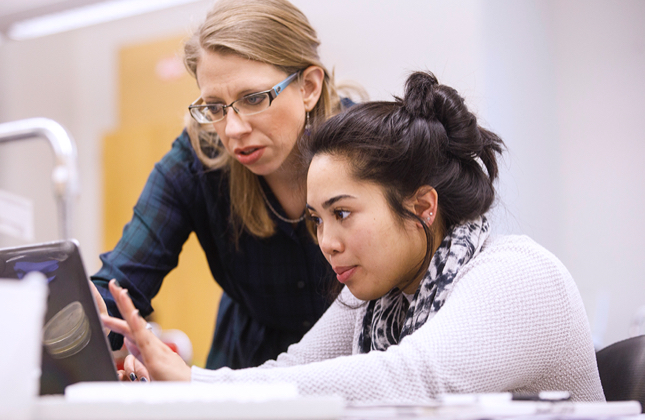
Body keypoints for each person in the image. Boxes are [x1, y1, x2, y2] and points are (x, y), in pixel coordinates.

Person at [101, 71, 606, 403]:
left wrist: (192, 387)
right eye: (318, 220)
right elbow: (294, 368)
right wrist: (177, 381)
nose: (327, 241)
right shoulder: (379, 295)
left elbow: (409, 381)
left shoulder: (517, 274)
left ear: (423, 207)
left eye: (343, 213)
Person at [91, 0, 352, 369]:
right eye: (214, 106)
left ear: (308, 87)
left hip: (357, 366)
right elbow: (122, 284)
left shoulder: (368, 152)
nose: (233, 129)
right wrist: (82, 312)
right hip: (244, 367)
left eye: (254, 98)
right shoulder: (195, 161)